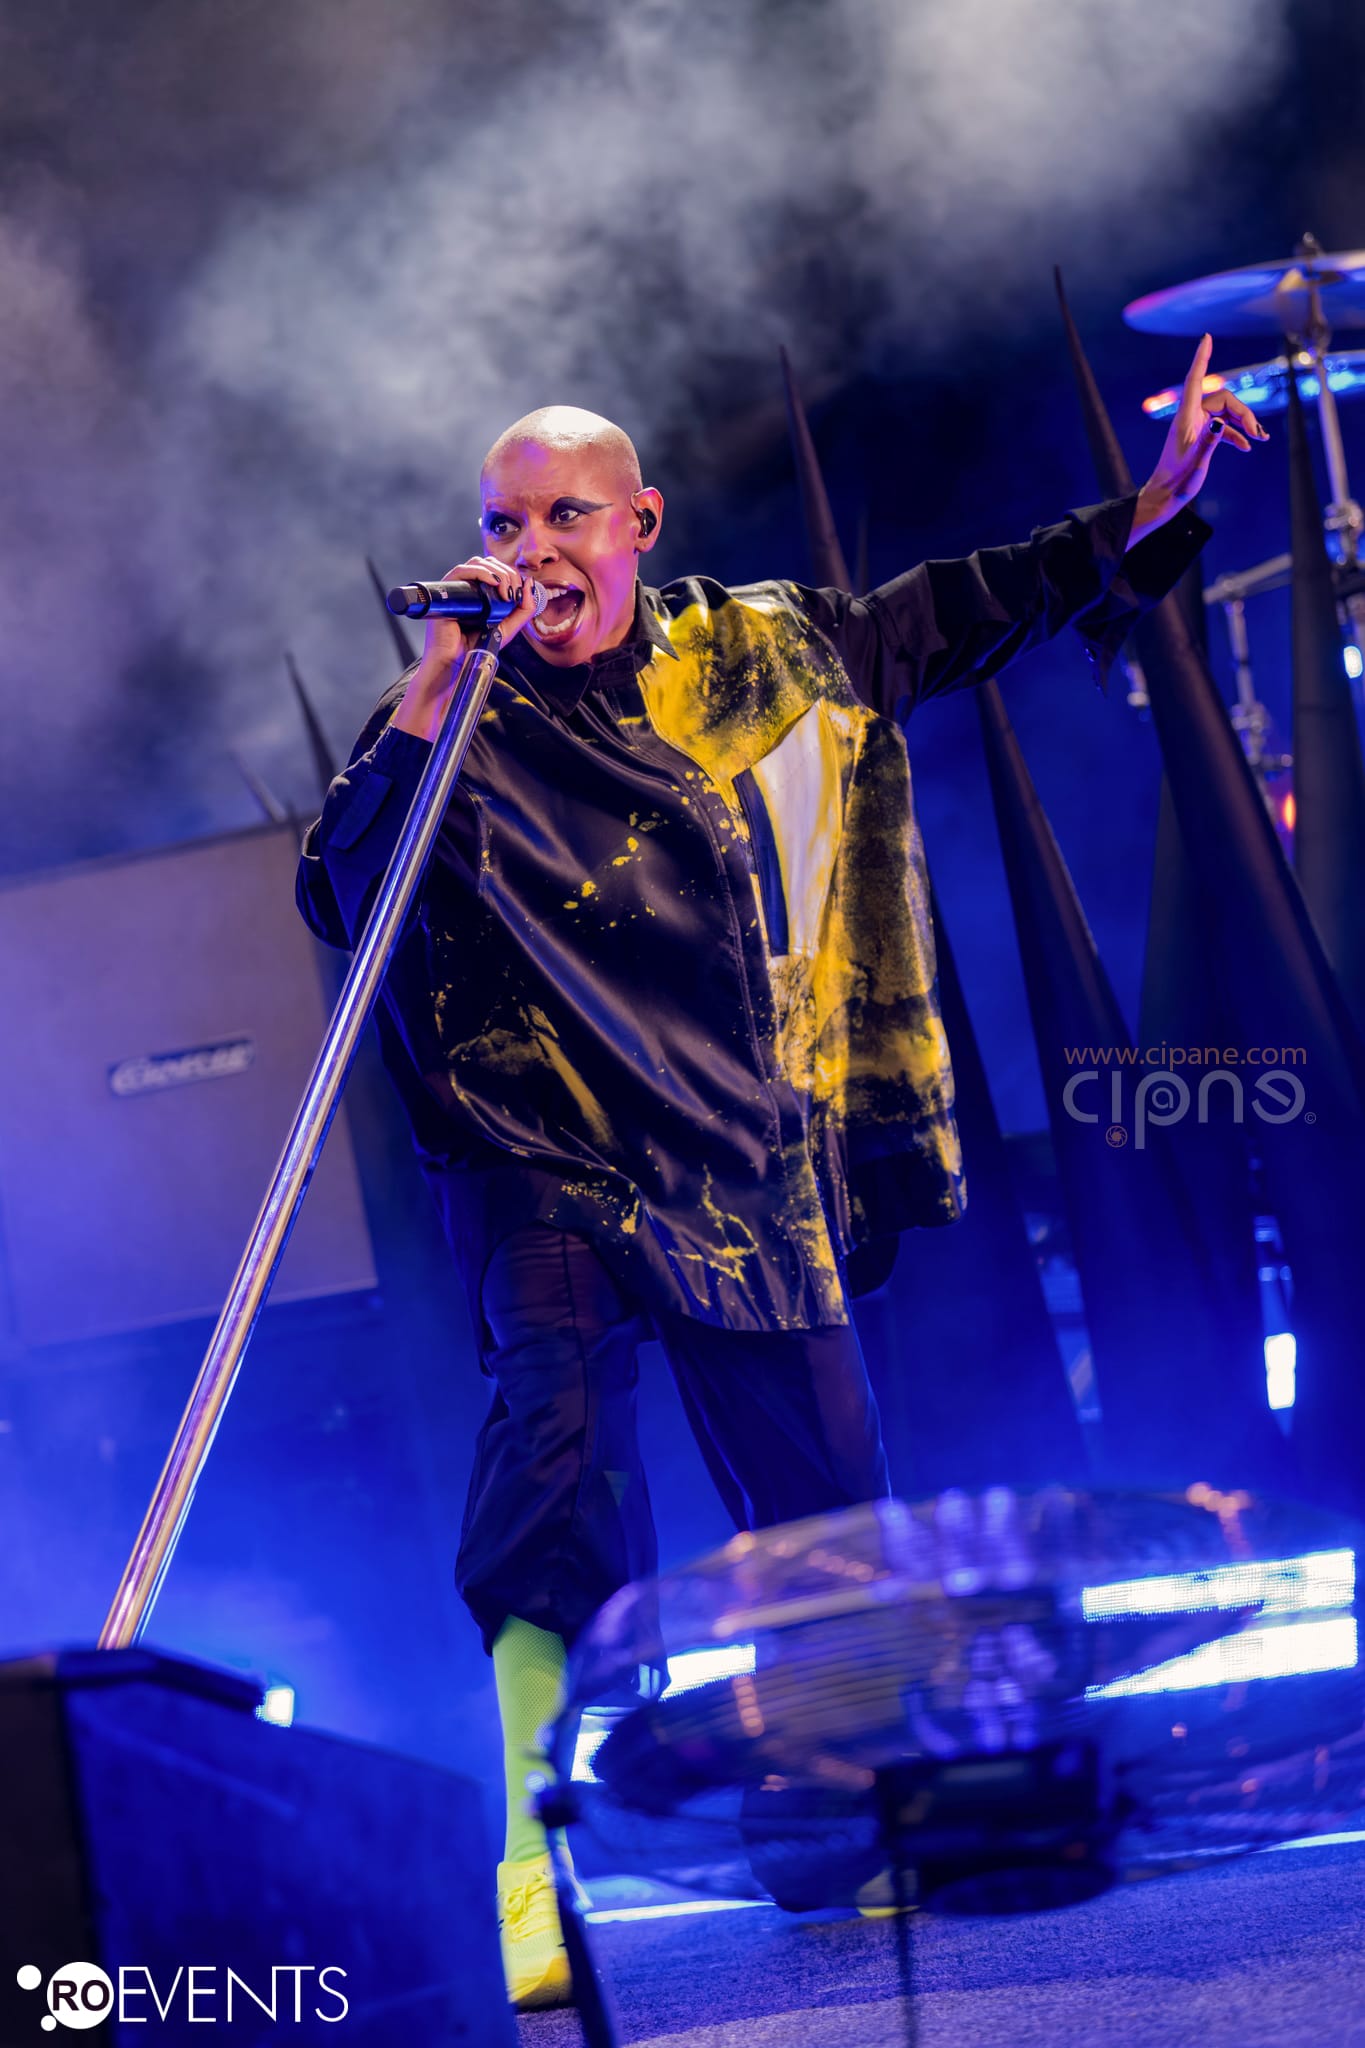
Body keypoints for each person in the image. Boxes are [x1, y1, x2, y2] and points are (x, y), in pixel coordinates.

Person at [296, 338, 1263, 2009]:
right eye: (502, 522)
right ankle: (538, 1859)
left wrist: (1147, 505)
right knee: (551, 1468)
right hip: (546, 1151)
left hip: (737, 1148)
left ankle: (828, 1822)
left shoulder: (761, 655)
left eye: (565, 516)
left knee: (820, 1518)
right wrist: (435, 691)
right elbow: (338, 894)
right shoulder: (458, 717)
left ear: (640, 524)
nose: (530, 551)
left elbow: (962, 609)